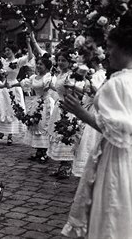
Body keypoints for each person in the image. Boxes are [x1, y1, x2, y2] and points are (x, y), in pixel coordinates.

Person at [60, 26, 132, 238]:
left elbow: (120, 133)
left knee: (113, 214)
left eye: (111, 48)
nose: (107, 53)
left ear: (125, 49)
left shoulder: (119, 83)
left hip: (119, 159)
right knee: (129, 216)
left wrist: (81, 112)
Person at [47, 51, 84, 179]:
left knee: (67, 133)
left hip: (68, 107)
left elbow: (75, 92)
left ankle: (67, 167)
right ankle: (62, 165)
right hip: (60, 105)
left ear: (69, 62)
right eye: (59, 60)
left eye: (63, 60)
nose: (60, 63)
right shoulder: (60, 74)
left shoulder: (71, 75)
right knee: (59, 132)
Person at [20, 57, 56, 163]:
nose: (38, 66)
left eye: (41, 64)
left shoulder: (49, 77)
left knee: (43, 125)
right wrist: (10, 85)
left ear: (47, 67)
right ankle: (39, 151)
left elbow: (51, 87)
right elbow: (24, 84)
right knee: (35, 125)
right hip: (36, 102)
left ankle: (45, 152)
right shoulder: (34, 77)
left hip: (45, 103)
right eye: (38, 64)